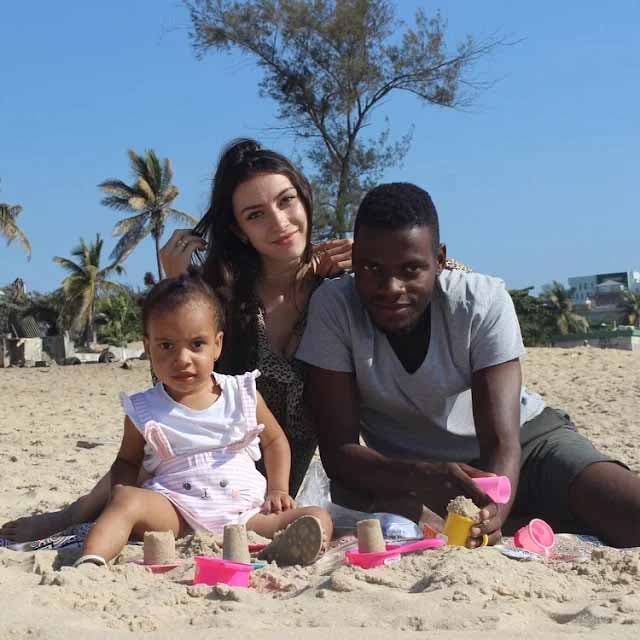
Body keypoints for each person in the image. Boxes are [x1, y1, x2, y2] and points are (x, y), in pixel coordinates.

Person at [1, 138, 350, 543]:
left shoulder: (339, 282)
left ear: (305, 199)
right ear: (238, 229)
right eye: (256, 214)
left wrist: (375, 264)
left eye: (287, 201)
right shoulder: (220, 294)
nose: (279, 221)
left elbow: (431, 270)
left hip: (278, 481)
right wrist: (174, 281)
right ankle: (74, 512)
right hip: (201, 467)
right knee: (157, 451)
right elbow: (171, 397)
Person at [296, 182, 640, 548]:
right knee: (364, 499)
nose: (391, 287)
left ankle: (527, 518)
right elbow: (339, 453)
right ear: (356, 259)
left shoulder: (481, 301)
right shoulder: (334, 308)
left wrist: (491, 513)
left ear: (440, 260)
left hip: (527, 448)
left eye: (411, 269)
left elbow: (501, 441)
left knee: (627, 509)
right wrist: (419, 475)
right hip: (412, 477)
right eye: (372, 268)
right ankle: (538, 521)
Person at [74, 271, 332, 568]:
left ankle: (280, 549)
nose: (182, 359)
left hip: (246, 515)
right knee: (126, 502)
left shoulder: (242, 393)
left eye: (197, 344)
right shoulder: (145, 408)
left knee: (316, 516)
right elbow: (126, 462)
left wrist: (278, 489)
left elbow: (275, 441)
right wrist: (119, 489)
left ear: (217, 345)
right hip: (177, 512)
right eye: (167, 346)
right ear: (148, 347)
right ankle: (92, 561)